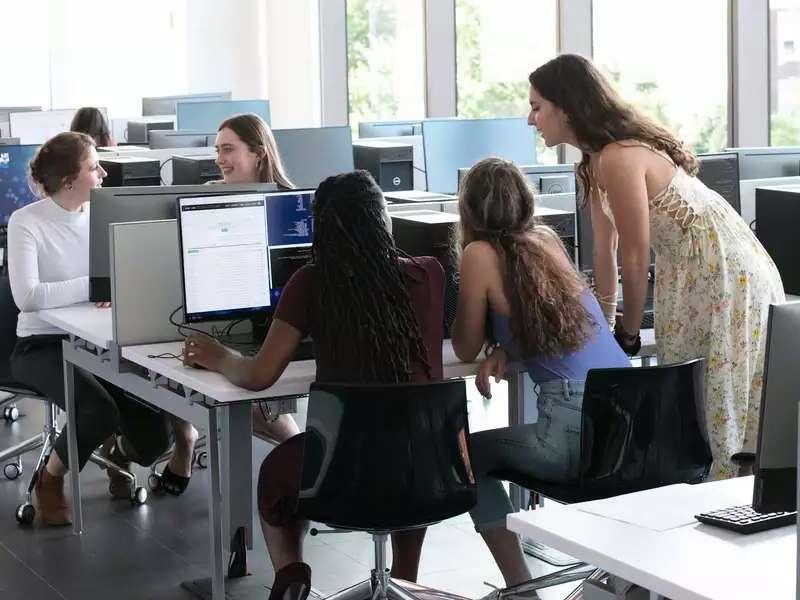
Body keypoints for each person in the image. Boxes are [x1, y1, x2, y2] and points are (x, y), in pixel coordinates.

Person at [182, 170, 445, 600]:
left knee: (276, 473)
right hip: (429, 466)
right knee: (407, 449)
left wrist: (217, 354)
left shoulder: (311, 282)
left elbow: (258, 376)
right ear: (384, 221)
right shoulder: (428, 273)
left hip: (342, 470)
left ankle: (292, 573)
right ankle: (405, 581)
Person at [527, 53, 785, 478]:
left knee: (716, 394)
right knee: (696, 397)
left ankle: (727, 503)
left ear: (566, 107)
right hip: (691, 268)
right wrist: (608, 329)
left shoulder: (618, 156)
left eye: (537, 106)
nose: (531, 118)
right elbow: (602, 252)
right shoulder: (594, 163)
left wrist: (628, 333)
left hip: (720, 267)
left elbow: (634, 250)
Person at [452, 158, 630, 591]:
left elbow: (462, 347)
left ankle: (520, 586)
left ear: (469, 211)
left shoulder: (479, 253)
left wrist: (493, 346)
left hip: (573, 433)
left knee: (464, 456)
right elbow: (556, 327)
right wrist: (508, 350)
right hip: (631, 422)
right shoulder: (547, 241)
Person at [7, 132, 172, 525]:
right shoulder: (26, 223)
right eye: (93, 166)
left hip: (94, 340)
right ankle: (51, 478)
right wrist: (94, 284)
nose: (102, 172)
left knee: (153, 437)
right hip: (40, 345)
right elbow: (27, 297)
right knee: (96, 409)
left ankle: (115, 451)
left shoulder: (100, 214)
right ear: (69, 180)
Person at [214, 113, 293, 188]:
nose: (218, 160)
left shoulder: (291, 200)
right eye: (218, 151)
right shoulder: (208, 197)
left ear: (259, 153)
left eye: (228, 149)